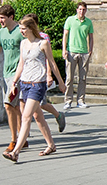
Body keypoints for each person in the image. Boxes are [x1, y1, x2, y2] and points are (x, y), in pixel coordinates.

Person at [4, 15, 63, 161]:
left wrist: (61, 82)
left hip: (37, 84)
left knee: (26, 116)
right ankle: (51, 145)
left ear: (31, 29)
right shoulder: (23, 43)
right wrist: (14, 82)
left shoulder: (43, 43)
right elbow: (21, 64)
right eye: (20, 29)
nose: (21, 31)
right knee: (38, 116)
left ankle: (16, 151)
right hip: (25, 83)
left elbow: (52, 63)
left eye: (23, 29)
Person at [61, 2, 94, 109]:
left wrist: (90, 50)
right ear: (77, 10)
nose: (82, 11)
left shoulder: (88, 22)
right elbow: (65, 35)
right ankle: (68, 100)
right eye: (80, 9)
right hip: (72, 51)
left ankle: (81, 100)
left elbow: (91, 36)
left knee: (82, 78)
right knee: (69, 78)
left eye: (84, 9)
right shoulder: (70, 20)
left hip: (84, 52)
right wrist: (64, 49)